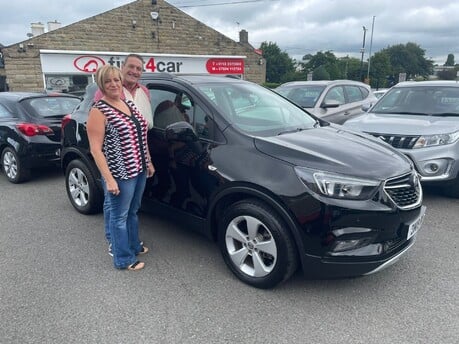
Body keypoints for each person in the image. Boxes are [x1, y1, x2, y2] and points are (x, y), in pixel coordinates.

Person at [87, 64, 155, 271]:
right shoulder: (99, 110)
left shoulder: (128, 103)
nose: (114, 84)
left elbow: (141, 135)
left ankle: (133, 245)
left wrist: (149, 161)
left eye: (116, 80)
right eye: (108, 81)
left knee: (133, 211)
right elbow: (96, 150)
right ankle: (123, 258)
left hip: (139, 168)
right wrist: (109, 179)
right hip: (121, 172)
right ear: (102, 84)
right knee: (119, 217)